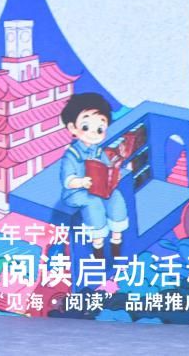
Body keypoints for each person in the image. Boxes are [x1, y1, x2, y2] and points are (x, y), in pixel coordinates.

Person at [59, 92, 128, 269]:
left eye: (99, 129)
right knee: (93, 204)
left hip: (100, 188)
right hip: (78, 192)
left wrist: (114, 173)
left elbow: (106, 167)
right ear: (73, 128)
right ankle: (98, 248)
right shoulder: (72, 154)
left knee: (116, 198)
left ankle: (116, 241)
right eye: (86, 126)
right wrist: (81, 182)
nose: (93, 133)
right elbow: (68, 180)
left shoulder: (98, 151)